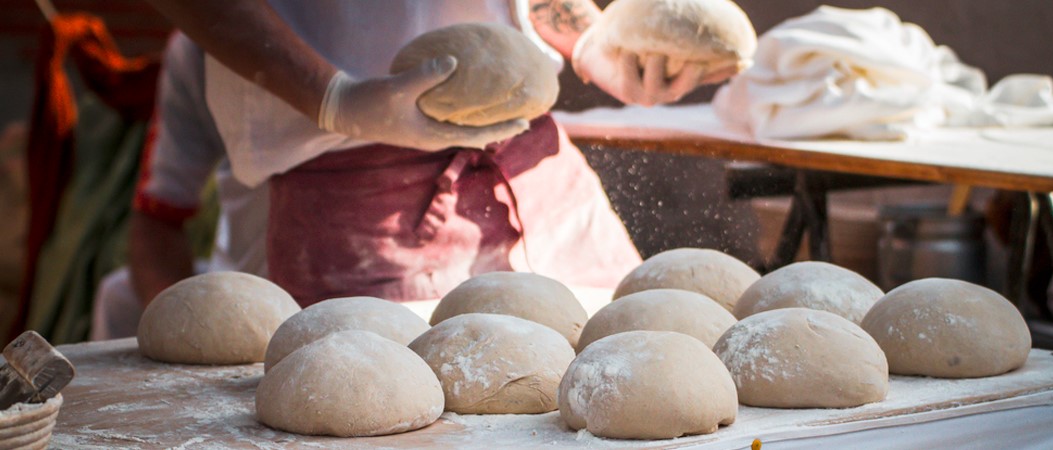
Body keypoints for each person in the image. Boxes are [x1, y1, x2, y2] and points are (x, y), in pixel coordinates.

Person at [135, 0, 739, 307]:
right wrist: (334, 100)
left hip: (534, 156)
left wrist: (586, 35)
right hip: (360, 195)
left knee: (630, 353)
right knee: (406, 415)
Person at [91, 33, 269, 340]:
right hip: (242, 279)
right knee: (117, 296)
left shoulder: (377, 34)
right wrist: (180, 335)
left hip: (366, 284)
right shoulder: (199, 46)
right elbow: (156, 220)